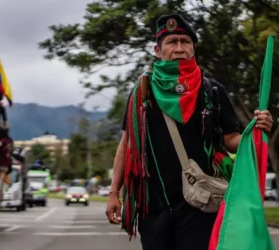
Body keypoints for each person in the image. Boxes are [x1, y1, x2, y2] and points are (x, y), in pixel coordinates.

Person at [105, 13, 273, 250]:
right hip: (153, 206)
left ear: (194, 48)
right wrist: (114, 192)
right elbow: (126, 145)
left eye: (185, 42)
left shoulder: (212, 90)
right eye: (172, 42)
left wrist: (254, 131)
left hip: (200, 204)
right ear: (157, 49)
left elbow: (230, 140)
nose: (179, 48)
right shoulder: (142, 92)